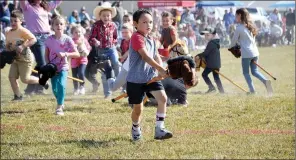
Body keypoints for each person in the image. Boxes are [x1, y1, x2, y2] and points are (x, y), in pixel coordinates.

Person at [127, 9, 173, 141]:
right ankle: (135, 127)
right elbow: (146, 57)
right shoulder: (136, 37)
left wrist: (161, 70)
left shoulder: (151, 39)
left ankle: (159, 129)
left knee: (163, 98)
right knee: (138, 109)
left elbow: (156, 56)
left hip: (150, 77)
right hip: (135, 80)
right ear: (135, 24)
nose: (149, 25)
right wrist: (159, 68)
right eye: (144, 22)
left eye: (151, 22)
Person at [20, 0, 62, 95]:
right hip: (36, 38)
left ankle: (31, 90)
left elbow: (57, 2)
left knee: (40, 64)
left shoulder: (45, 7)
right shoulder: (27, 7)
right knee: (43, 63)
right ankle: (39, 87)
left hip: (47, 37)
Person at [5, 10, 47, 101]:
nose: (13, 23)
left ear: (21, 21)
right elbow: (7, 45)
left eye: (15, 21)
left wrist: (23, 45)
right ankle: (18, 96)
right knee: (11, 77)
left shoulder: (23, 31)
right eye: (11, 20)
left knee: (25, 79)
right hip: (15, 59)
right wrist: (7, 50)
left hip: (25, 59)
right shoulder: (8, 32)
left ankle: (42, 81)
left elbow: (33, 39)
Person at [230, 8, 273, 95]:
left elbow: (233, 42)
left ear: (240, 16)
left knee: (246, 73)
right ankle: (265, 81)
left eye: (236, 15)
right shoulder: (250, 25)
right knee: (255, 71)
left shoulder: (239, 28)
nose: (235, 17)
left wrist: (231, 48)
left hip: (246, 54)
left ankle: (252, 91)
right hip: (255, 53)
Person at [45, 16, 80, 115]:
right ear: (52, 26)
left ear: (65, 26)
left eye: (61, 24)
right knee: (55, 89)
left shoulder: (68, 39)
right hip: (52, 68)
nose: (59, 26)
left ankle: (59, 107)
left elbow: (77, 54)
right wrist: (48, 65)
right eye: (56, 24)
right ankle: (60, 99)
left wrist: (66, 54)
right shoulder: (49, 39)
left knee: (61, 85)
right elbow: (46, 54)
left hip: (63, 67)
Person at [86, 3, 120, 98]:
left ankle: (118, 82)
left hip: (111, 48)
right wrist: (95, 41)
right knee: (105, 71)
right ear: (100, 16)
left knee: (116, 63)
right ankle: (107, 93)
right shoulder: (96, 25)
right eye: (103, 15)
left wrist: (114, 42)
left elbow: (116, 37)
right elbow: (91, 38)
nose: (106, 17)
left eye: (108, 15)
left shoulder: (113, 25)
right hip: (101, 50)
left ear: (111, 16)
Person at [195, 27, 224, 94]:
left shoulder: (211, 43)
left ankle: (211, 88)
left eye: (208, 35)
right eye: (205, 35)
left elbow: (206, 53)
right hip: (216, 64)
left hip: (211, 64)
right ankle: (221, 91)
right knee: (216, 78)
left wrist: (198, 56)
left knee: (204, 75)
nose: (206, 36)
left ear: (213, 35)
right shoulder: (215, 42)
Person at [70, 25, 91, 95]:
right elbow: (68, 49)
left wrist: (86, 51)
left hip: (83, 59)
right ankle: (76, 88)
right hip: (74, 60)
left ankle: (82, 87)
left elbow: (88, 47)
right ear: (72, 33)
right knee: (74, 75)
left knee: (81, 72)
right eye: (76, 32)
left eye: (79, 32)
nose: (78, 33)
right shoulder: (71, 41)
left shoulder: (84, 40)